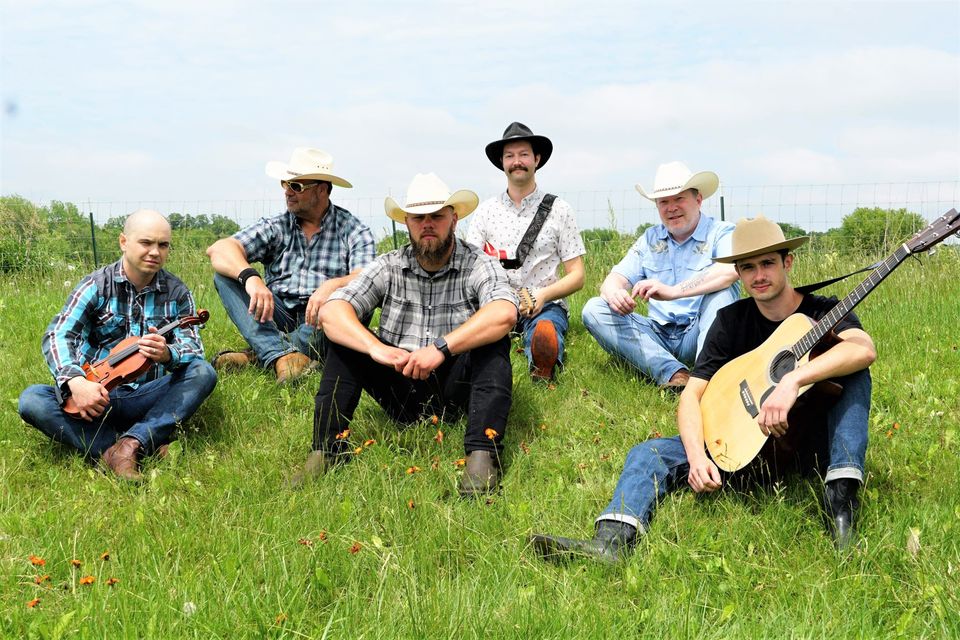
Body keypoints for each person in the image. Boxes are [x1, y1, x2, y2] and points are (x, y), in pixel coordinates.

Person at [531, 216, 876, 561]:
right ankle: (612, 543)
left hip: (803, 444)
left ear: (788, 262)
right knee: (648, 454)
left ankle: (840, 506)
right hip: (740, 447)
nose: (758, 275)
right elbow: (692, 395)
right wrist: (696, 457)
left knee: (853, 372)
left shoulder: (823, 310)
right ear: (738, 273)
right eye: (748, 267)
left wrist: (793, 380)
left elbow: (863, 349)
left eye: (768, 263)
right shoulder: (731, 321)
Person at [291, 173, 518, 496]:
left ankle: (482, 454)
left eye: (437, 216)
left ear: (453, 219)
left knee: (492, 338)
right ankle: (326, 450)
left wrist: (441, 348)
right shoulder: (388, 265)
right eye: (418, 217)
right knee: (344, 340)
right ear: (406, 222)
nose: (428, 224)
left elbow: (504, 312)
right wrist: (374, 348)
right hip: (400, 382)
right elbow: (332, 312)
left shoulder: (478, 263)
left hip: (457, 387)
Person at [18, 210, 217, 481]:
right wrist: (76, 383)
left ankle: (129, 445)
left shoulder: (178, 293)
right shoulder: (96, 285)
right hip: (96, 396)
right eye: (146, 243)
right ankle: (130, 446)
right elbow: (58, 335)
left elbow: (194, 350)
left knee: (203, 373)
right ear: (124, 242)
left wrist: (168, 354)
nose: (155, 252)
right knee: (32, 400)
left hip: (147, 396)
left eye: (163, 245)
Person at [207, 148, 375, 383]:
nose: (288, 192)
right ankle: (287, 356)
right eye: (285, 184)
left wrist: (332, 286)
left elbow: (367, 277)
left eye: (297, 186)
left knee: (345, 307)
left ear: (321, 189)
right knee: (225, 277)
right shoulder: (277, 225)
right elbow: (219, 249)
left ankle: (262, 354)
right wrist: (250, 277)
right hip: (277, 312)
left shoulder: (354, 230)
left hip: (322, 317)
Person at [581, 161, 740, 389]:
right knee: (594, 309)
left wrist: (674, 292)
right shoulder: (649, 239)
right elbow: (614, 279)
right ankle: (674, 373)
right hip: (658, 332)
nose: (671, 208)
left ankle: (707, 375)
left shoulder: (722, 232)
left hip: (698, 330)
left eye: (679, 199)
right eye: (663, 202)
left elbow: (729, 270)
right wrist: (615, 293)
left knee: (723, 292)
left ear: (698, 200)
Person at [466, 122, 586, 380]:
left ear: (536, 159)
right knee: (475, 333)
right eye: (510, 156)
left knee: (546, 327)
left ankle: (542, 362)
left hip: (545, 302)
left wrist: (543, 295)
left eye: (523, 154)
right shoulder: (486, 212)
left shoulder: (560, 210)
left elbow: (577, 275)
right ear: (502, 162)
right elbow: (470, 268)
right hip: (497, 302)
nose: (516, 161)